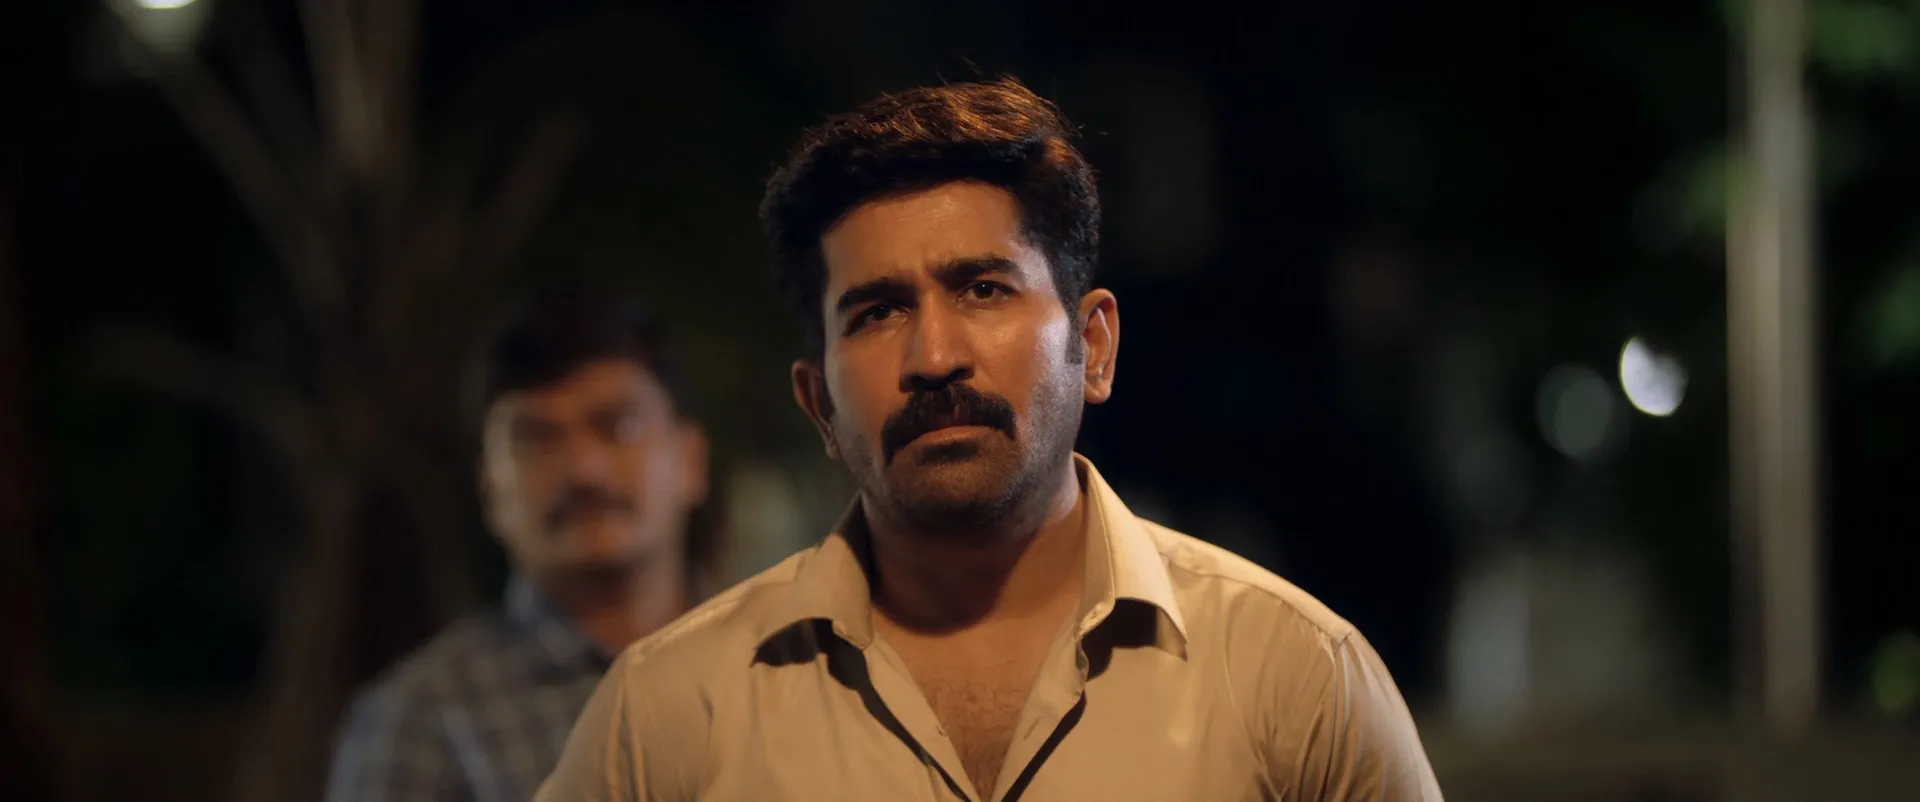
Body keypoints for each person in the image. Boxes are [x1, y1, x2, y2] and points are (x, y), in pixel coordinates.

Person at [538, 78, 1443, 801]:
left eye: (983, 289)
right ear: (818, 405)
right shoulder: (666, 718)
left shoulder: (1295, 679)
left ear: (1093, 347)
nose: (935, 358)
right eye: (877, 311)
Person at [325, 290, 714, 802]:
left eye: (617, 426)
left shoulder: (784, 663)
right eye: (536, 439)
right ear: (490, 491)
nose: (583, 470)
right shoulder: (418, 723)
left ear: (690, 460)